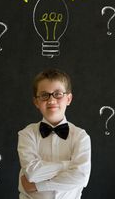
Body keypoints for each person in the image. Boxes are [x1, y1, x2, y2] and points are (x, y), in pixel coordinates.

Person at [17, 68, 91, 198]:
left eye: (58, 94)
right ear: (36, 102)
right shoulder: (26, 134)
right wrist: (68, 165)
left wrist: (37, 186)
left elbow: (81, 177)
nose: (51, 100)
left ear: (68, 99)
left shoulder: (80, 136)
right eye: (44, 95)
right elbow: (32, 173)